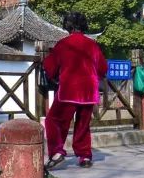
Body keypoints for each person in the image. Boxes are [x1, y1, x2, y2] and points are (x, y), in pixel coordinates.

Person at [43, 12, 107, 169]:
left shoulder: (64, 44)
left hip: (69, 90)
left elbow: (50, 66)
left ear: (67, 26)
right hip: (89, 91)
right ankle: (84, 156)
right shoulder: (93, 45)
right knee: (83, 124)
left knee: (53, 120)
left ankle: (57, 152)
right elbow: (103, 68)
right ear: (84, 26)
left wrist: (53, 73)